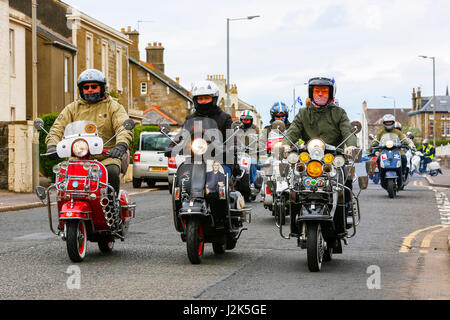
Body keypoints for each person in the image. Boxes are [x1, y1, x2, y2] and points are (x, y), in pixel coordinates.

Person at [279, 76, 358, 229]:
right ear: (311, 93)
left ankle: (343, 218)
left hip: (333, 158)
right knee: (294, 182)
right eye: (317, 91)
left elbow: (347, 131)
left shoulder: (339, 113)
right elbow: (293, 130)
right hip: (308, 158)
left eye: (324, 91)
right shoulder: (303, 113)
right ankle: (295, 223)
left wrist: (350, 146)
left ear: (330, 94)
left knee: (345, 180)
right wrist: (284, 144)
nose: (320, 94)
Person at [45, 69, 133, 195]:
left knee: (112, 172)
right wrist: (52, 145)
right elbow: (57, 128)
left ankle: (111, 206)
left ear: (102, 88)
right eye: (86, 87)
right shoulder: (72, 108)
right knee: (63, 176)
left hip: (106, 157)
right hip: (78, 158)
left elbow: (122, 126)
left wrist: (121, 145)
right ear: (81, 90)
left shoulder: (113, 107)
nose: (90, 89)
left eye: (94, 86)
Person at [169, 80, 236, 177]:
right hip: (194, 159)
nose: (203, 101)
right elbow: (181, 136)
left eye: (206, 98)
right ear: (196, 101)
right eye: (200, 98)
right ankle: (178, 192)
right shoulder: (190, 118)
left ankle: (226, 190)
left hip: (220, 159)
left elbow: (231, 137)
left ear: (213, 99)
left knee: (222, 181)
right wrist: (172, 146)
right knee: (181, 179)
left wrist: (232, 147)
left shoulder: (225, 118)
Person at [239, 110, 260, 188]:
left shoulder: (255, 129)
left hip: (251, 152)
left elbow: (259, 140)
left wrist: (256, 147)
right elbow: (232, 138)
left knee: (253, 163)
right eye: (244, 119)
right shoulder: (237, 128)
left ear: (251, 120)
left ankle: (252, 182)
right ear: (241, 120)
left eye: (248, 120)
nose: (246, 121)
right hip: (239, 152)